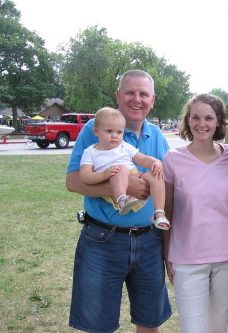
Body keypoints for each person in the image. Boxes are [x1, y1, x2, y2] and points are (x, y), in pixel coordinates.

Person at [66, 69, 172, 333]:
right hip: (102, 240)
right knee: (98, 324)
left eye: (143, 94)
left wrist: (169, 249)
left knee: (150, 321)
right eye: (130, 92)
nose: (137, 99)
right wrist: (120, 188)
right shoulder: (96, 131)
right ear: (118, 96)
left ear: (153, 99)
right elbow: (74, 182)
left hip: (149, 242)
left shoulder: (157, 136)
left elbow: (168, 191)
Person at [163, 93, 228, 333]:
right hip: (186, 258)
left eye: (209, 118)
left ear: (219, 121)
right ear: (188, 120)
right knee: (192, 329)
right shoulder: (172, 159)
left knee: (220, 327)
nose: (202, 124)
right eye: (195, 117)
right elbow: (166, 212)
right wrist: (167, 255)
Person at [79, 107, 170, 229]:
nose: (114, 136)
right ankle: (122, 199)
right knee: (120, 169)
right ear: (96, 132)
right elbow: (85, 176)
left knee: (156, 176)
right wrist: (104, 174)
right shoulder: (90, 152)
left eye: (119, 132)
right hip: (114, 182)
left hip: (134, 175)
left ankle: (159, 213)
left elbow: (142, 159)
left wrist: (155, 162)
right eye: (109, 131)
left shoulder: (124, 146)